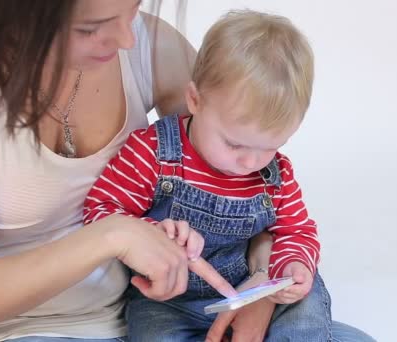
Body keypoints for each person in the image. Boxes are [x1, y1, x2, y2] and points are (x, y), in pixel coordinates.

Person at [0, 1, 375, 341]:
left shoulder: (149, 45)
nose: (127, 37)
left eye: (133, 8)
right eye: (92, 26)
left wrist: (262, 288)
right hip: (19, 329)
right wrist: (113, 236)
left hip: (139, 315)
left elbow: (246, 188)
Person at [83, 10, 331, 341]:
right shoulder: (153, 151)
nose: (249, 161)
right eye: (234, 143)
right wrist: (151, 234)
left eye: (271, 146)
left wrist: (291, 268)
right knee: (153, 331)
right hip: (172, 300)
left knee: (308, 301)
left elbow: (297, 231)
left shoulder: (275, 175)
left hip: (250, 291)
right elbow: (99, 211)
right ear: (195, 100)